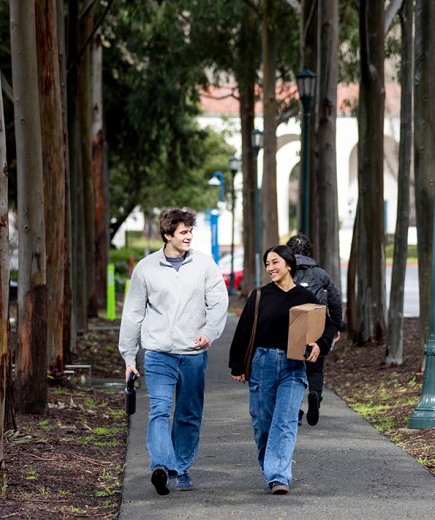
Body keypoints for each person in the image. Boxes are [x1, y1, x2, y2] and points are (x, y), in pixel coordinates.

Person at [119, 208, 229, 496]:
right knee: (158, 411)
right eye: (183, 232)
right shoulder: (145, 268)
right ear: (168, 235)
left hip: (194, 354)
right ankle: (162, 466)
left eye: (190, 231)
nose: (189, 235)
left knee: (189, 414)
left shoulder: (205, 265)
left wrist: (210, 332)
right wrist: (129, 357)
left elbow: (219, 303)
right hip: (158, 354)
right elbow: (133, 314)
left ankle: (181, 469)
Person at [228, 245, 338, 494]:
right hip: (262, 363)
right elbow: (243, 331)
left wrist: (320, 345)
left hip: (293, 366)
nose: (270, 268)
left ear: (289, 264)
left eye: (275, 262)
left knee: (285, 421)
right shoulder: (260, 296)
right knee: (263, 423)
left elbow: (329, 325)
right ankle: (270, 466)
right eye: (267, 263)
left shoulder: (305, 297)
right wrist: (238, 365)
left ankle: (279, 476)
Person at [286, 233, 343, 427]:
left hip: (291, 326)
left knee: (292, 370)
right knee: (315, 367)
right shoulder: (320, 274)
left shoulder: (285, 272)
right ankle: (315, 395)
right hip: (317, 325)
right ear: (309, 251)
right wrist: (335, 326)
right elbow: (335, 301)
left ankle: (295, 410)